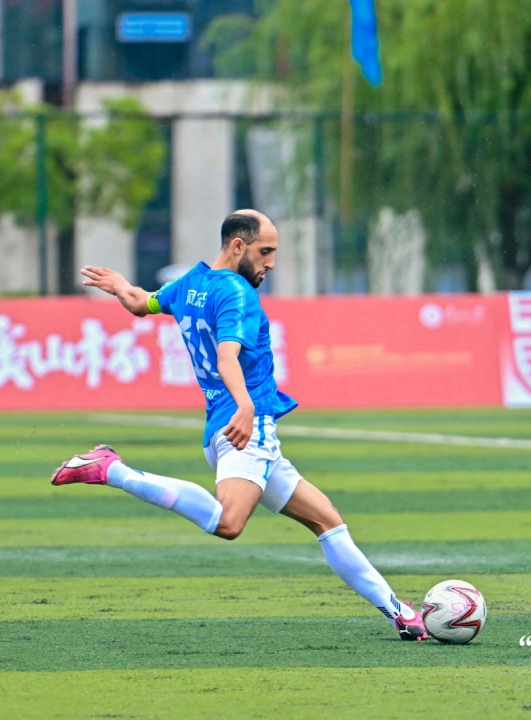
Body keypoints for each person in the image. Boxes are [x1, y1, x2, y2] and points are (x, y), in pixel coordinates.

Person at [51, 209, 429, 641]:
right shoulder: (237, 294)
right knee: (228, 522)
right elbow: (228, 355)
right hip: (246, 428)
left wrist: (121, 286)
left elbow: (143, 303)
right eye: (265, 252)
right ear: (237, 246)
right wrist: (246, 406)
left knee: (327, 521)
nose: (271, 263)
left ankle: (401, 614)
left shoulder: (190, 284)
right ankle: (112, 469)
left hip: (225, 428)